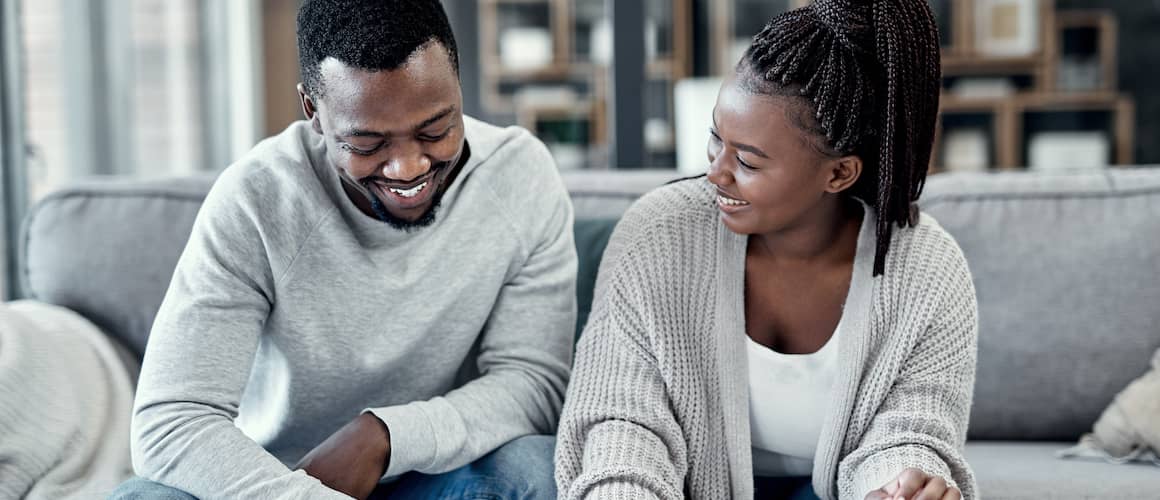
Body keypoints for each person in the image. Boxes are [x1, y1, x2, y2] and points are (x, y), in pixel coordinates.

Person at [109, 0, 576, 498]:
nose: (407, 168)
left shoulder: (519, 175)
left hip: (436, 476)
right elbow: (171, 419)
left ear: (459, 87)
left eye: (434, 131)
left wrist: (386, 436)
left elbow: (534, 384)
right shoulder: (257, 200)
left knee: (538, 468)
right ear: (313, 109)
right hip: (279, 482)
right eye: (368, 144)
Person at [554, 1, 977, 499]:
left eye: (748, 162)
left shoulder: (928, 269)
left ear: (838, 173)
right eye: (716, 138)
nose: (715, 171)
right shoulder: (658, 234)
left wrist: (904, 484)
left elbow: (913, 429)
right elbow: (622, 419)